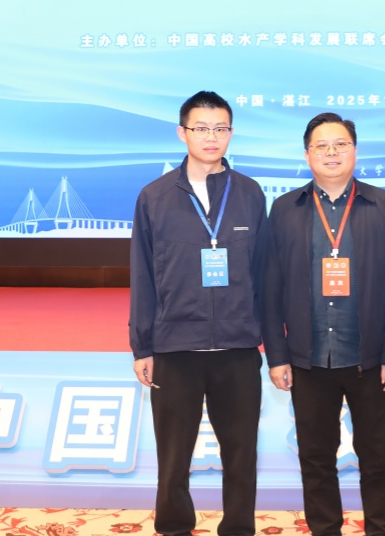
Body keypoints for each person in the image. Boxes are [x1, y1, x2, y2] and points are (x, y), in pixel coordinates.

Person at [262, 112, 385, 536]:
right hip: (307, 358)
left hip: (371, 358)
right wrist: (277, 356)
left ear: (355, 151)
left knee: (377, 458)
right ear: (307, 154)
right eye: (322, 146)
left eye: (340, 144)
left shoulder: (383, 205)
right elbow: (270, 288)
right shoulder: (285, 209)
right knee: (315, 459)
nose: (331, 153)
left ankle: (383, 530)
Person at [129, 90, 268, 536]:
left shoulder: (249, 193)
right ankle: (174, 527)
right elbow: (143, 275)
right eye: (201, 128)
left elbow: (263, 272)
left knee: (241, 455)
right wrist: (142, 345)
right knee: (173, 458)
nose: (212, 137)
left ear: (231, 133)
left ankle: (239, 528)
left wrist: (268, 340)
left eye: (220, 128)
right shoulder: (154, 197)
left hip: (238, 348)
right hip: (176, 347)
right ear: (182, 133)